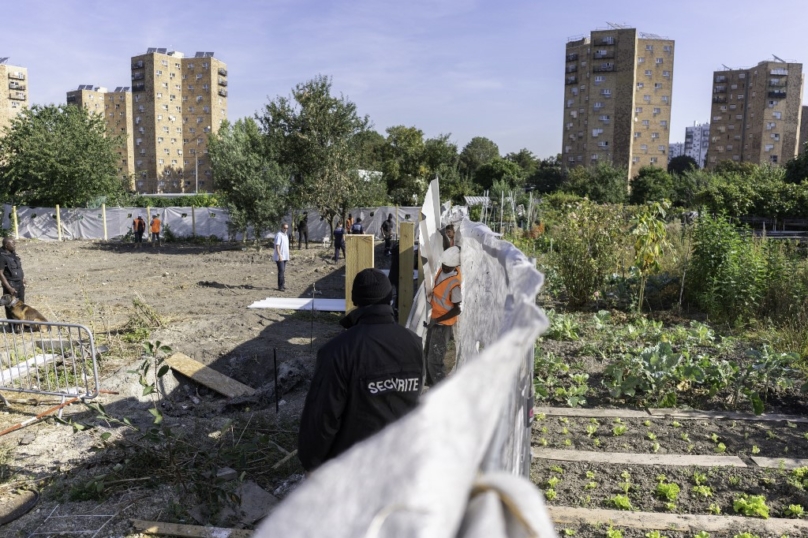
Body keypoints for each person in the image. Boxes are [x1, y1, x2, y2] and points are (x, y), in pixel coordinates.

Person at [298, 268, 423, 472]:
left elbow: (323, 418)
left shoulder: (337, 351)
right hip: (403, 460)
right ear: (389, 299)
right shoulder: (414, 344)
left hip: (356, 470)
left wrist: (311, 464)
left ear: (355, 301)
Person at [424, 246, 462, 386]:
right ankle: (430, 384)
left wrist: (437, 320)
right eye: (443, 266)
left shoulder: (455, 283)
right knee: (427, 352)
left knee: (435, 360)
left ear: (455, 266)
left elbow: (457, 309)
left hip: (442, 324)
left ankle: (440, 391)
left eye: (447, 267)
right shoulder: (443, 268)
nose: (444, 269)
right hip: (435, 318)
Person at [0, 238, 26, 320]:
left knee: (20, 304)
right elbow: (0, 273)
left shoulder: (13, 254)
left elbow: (18, 268)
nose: (15, 245)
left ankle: (21, 324)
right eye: (13, 244)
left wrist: (23, 278)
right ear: (7, 245)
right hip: (11, 284)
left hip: (19, 283)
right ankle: (12, 326)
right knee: (10, 306)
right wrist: (9, 288)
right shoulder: (2, 256)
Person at [273, 223, 290, 291]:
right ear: (282, 228)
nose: (286, 229)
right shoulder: (279, 235)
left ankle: (283, 284)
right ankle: (280, 286)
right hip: (280, 256)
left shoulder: (285, 235)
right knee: (281, 270)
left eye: (287, 228)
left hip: (285, 256)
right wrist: (279, 255)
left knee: (283, 271)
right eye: (284, 228)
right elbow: (277, 246)